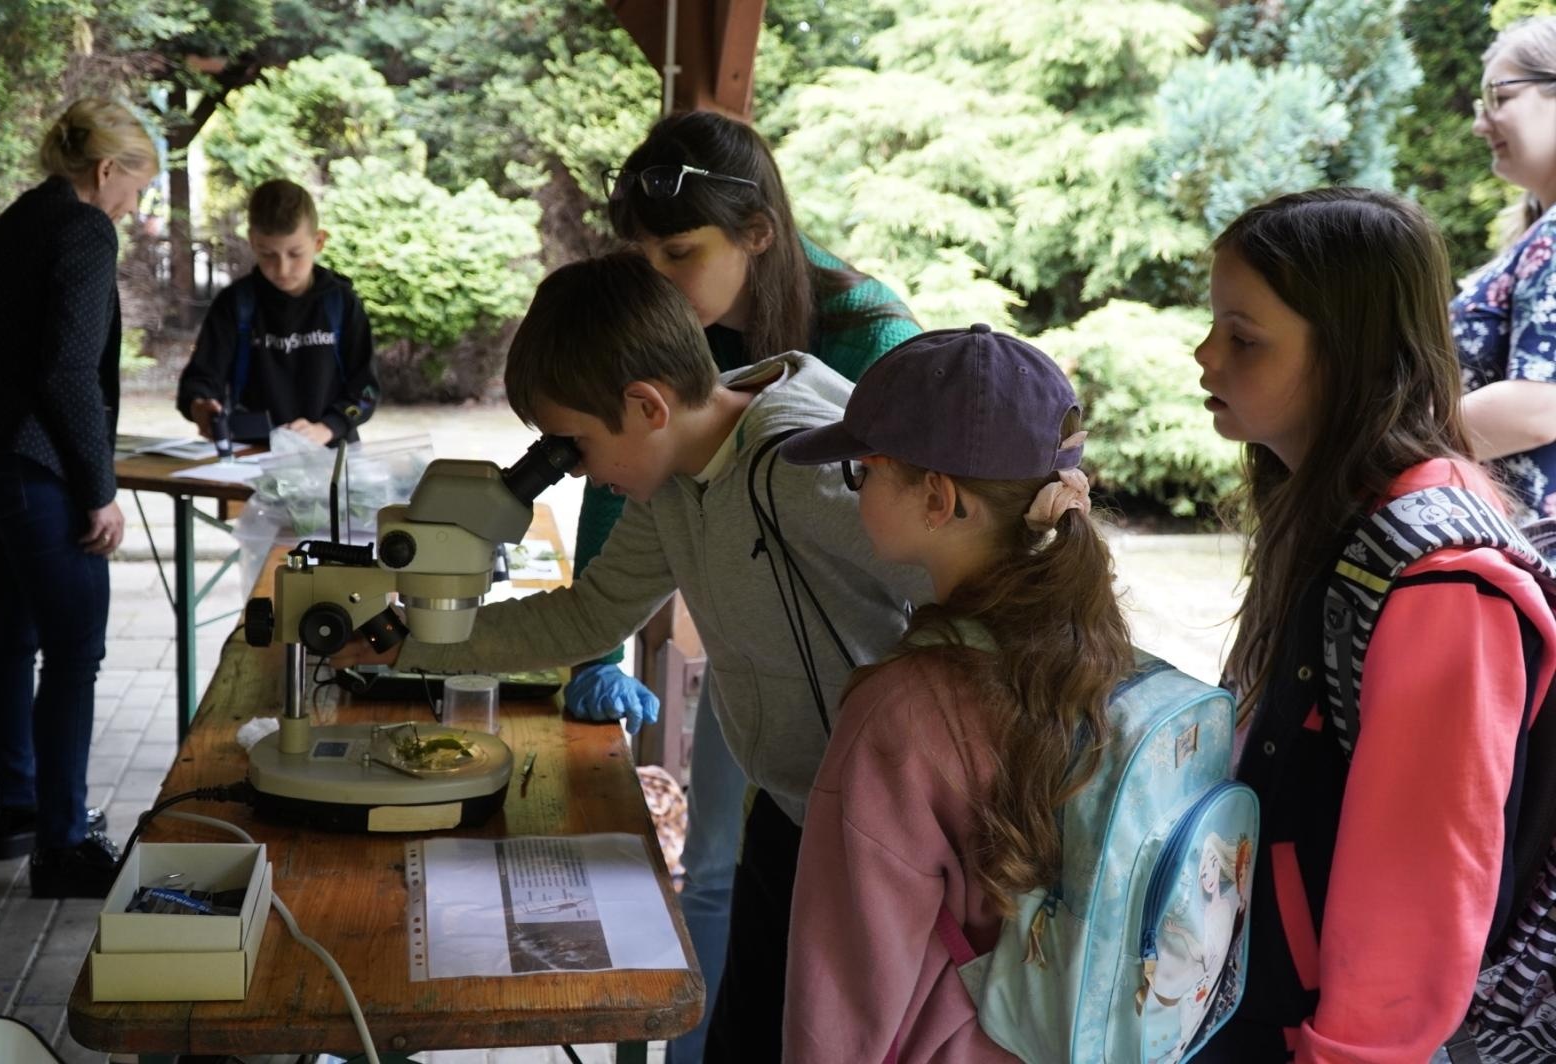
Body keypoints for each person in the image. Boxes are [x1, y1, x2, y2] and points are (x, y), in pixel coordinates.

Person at [464, 250, 926, 1062]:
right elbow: (593, 613)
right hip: (794, 812)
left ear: (644, 405)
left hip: (885, 837)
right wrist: (423, 640)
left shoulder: (800, 466)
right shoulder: (681, 471)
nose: (575, 472)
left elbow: (967, 580)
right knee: (741, 1036)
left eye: (572, 446)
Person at [579, 110, 919, 1062]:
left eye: (679, 254)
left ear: (758, 233)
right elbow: (623, 471)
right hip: (755, 660)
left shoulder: (874, 334)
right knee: (719, 873)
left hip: (882, 689)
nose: (660, 283)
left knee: (853, 915)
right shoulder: (673, 322)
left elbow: (948, 523)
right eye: (641, 258)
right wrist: (596, 647)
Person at [1189, 187, 1556, 1061]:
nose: (1204, 356)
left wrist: (1351, 1050)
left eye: (1243, 338)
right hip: (1266, 983)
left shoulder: (1437, 581)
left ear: (1348, 357)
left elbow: (1424, 885)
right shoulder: (1335, 505)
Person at [777, 324, 1132, 1062]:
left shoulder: (901, 713)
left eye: (861, 472)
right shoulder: (1098, 651)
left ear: (936, 497)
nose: (857, 489)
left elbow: (846, 990)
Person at [0, 98, 157, 897]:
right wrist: (99, 491)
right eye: (135, 187)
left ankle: (21, 809)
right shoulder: (81, 229)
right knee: (74, 650)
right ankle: (64, 847)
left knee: (9, 633)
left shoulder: (15, 221)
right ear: (107, 171)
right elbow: (67, 372)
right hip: (35, 467)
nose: (134, 206)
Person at [176, 178, 379, 447]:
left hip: (331, 455)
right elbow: (199, 381)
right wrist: (200, 406)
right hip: (254, 456)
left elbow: (366, 391)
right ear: (252, 242)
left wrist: (328, 427)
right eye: (268, 254)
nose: (282, 269)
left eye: (295, 254)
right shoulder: (235, 304)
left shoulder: (341, 303)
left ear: (318, 241)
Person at [1455, 16, 1556, 520]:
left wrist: (1371, 446)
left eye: (1500, 97)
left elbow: (1541, 407)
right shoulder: (1542, 232)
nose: (1479, 123)